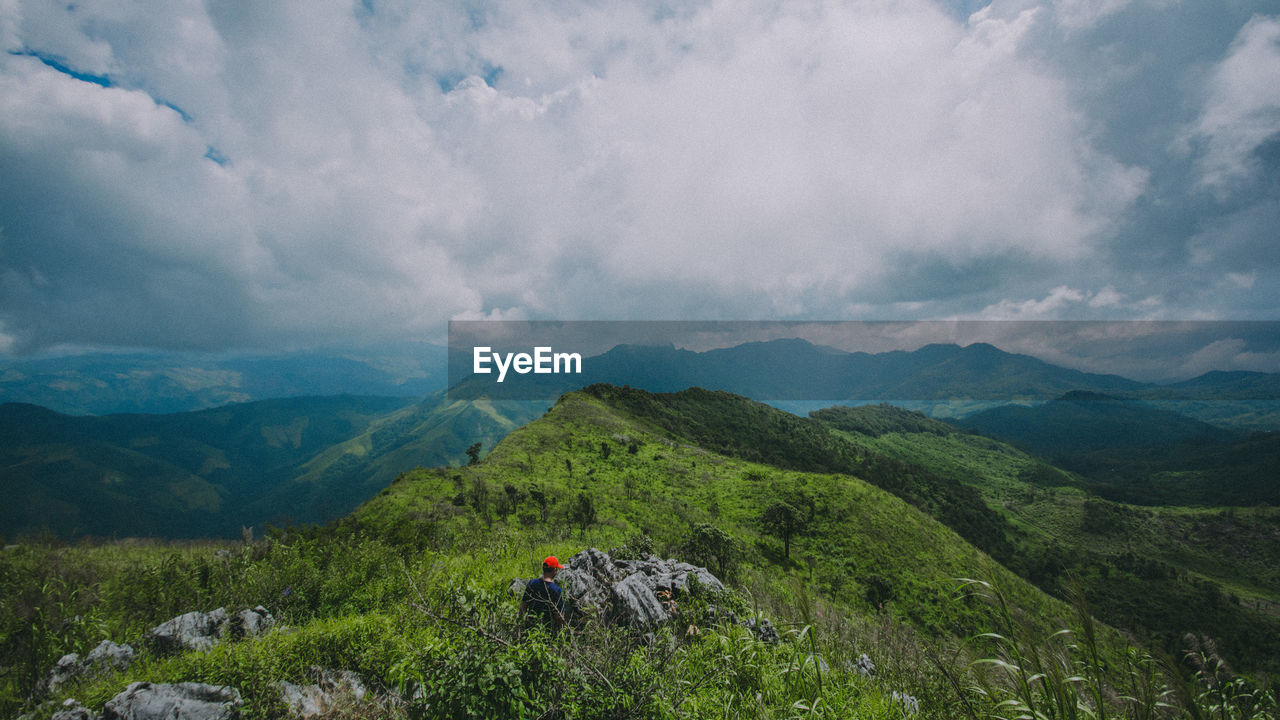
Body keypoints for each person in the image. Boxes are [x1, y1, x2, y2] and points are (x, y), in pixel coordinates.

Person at [519, 555, 567, 634]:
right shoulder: (556, 590)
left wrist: (521, 624)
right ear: (555, 570)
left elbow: (523, 605)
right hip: (548, 630)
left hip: (531, 627)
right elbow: (559, 616)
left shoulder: (532, 583)